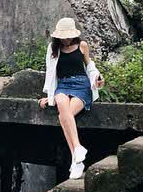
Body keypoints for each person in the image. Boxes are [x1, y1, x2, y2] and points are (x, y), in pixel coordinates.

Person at [38, 17, 105, 180]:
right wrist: (50, 96)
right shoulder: (53, 49)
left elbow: (90, 67)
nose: (65, 39)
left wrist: (97, 78)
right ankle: (77, 148)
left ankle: (76, 162)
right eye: (62, 37)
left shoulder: (82, 46)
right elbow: (51, 73)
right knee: (61, 102)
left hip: (81, 85)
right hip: (63, 86)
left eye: (68, 36)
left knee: (64, 116)